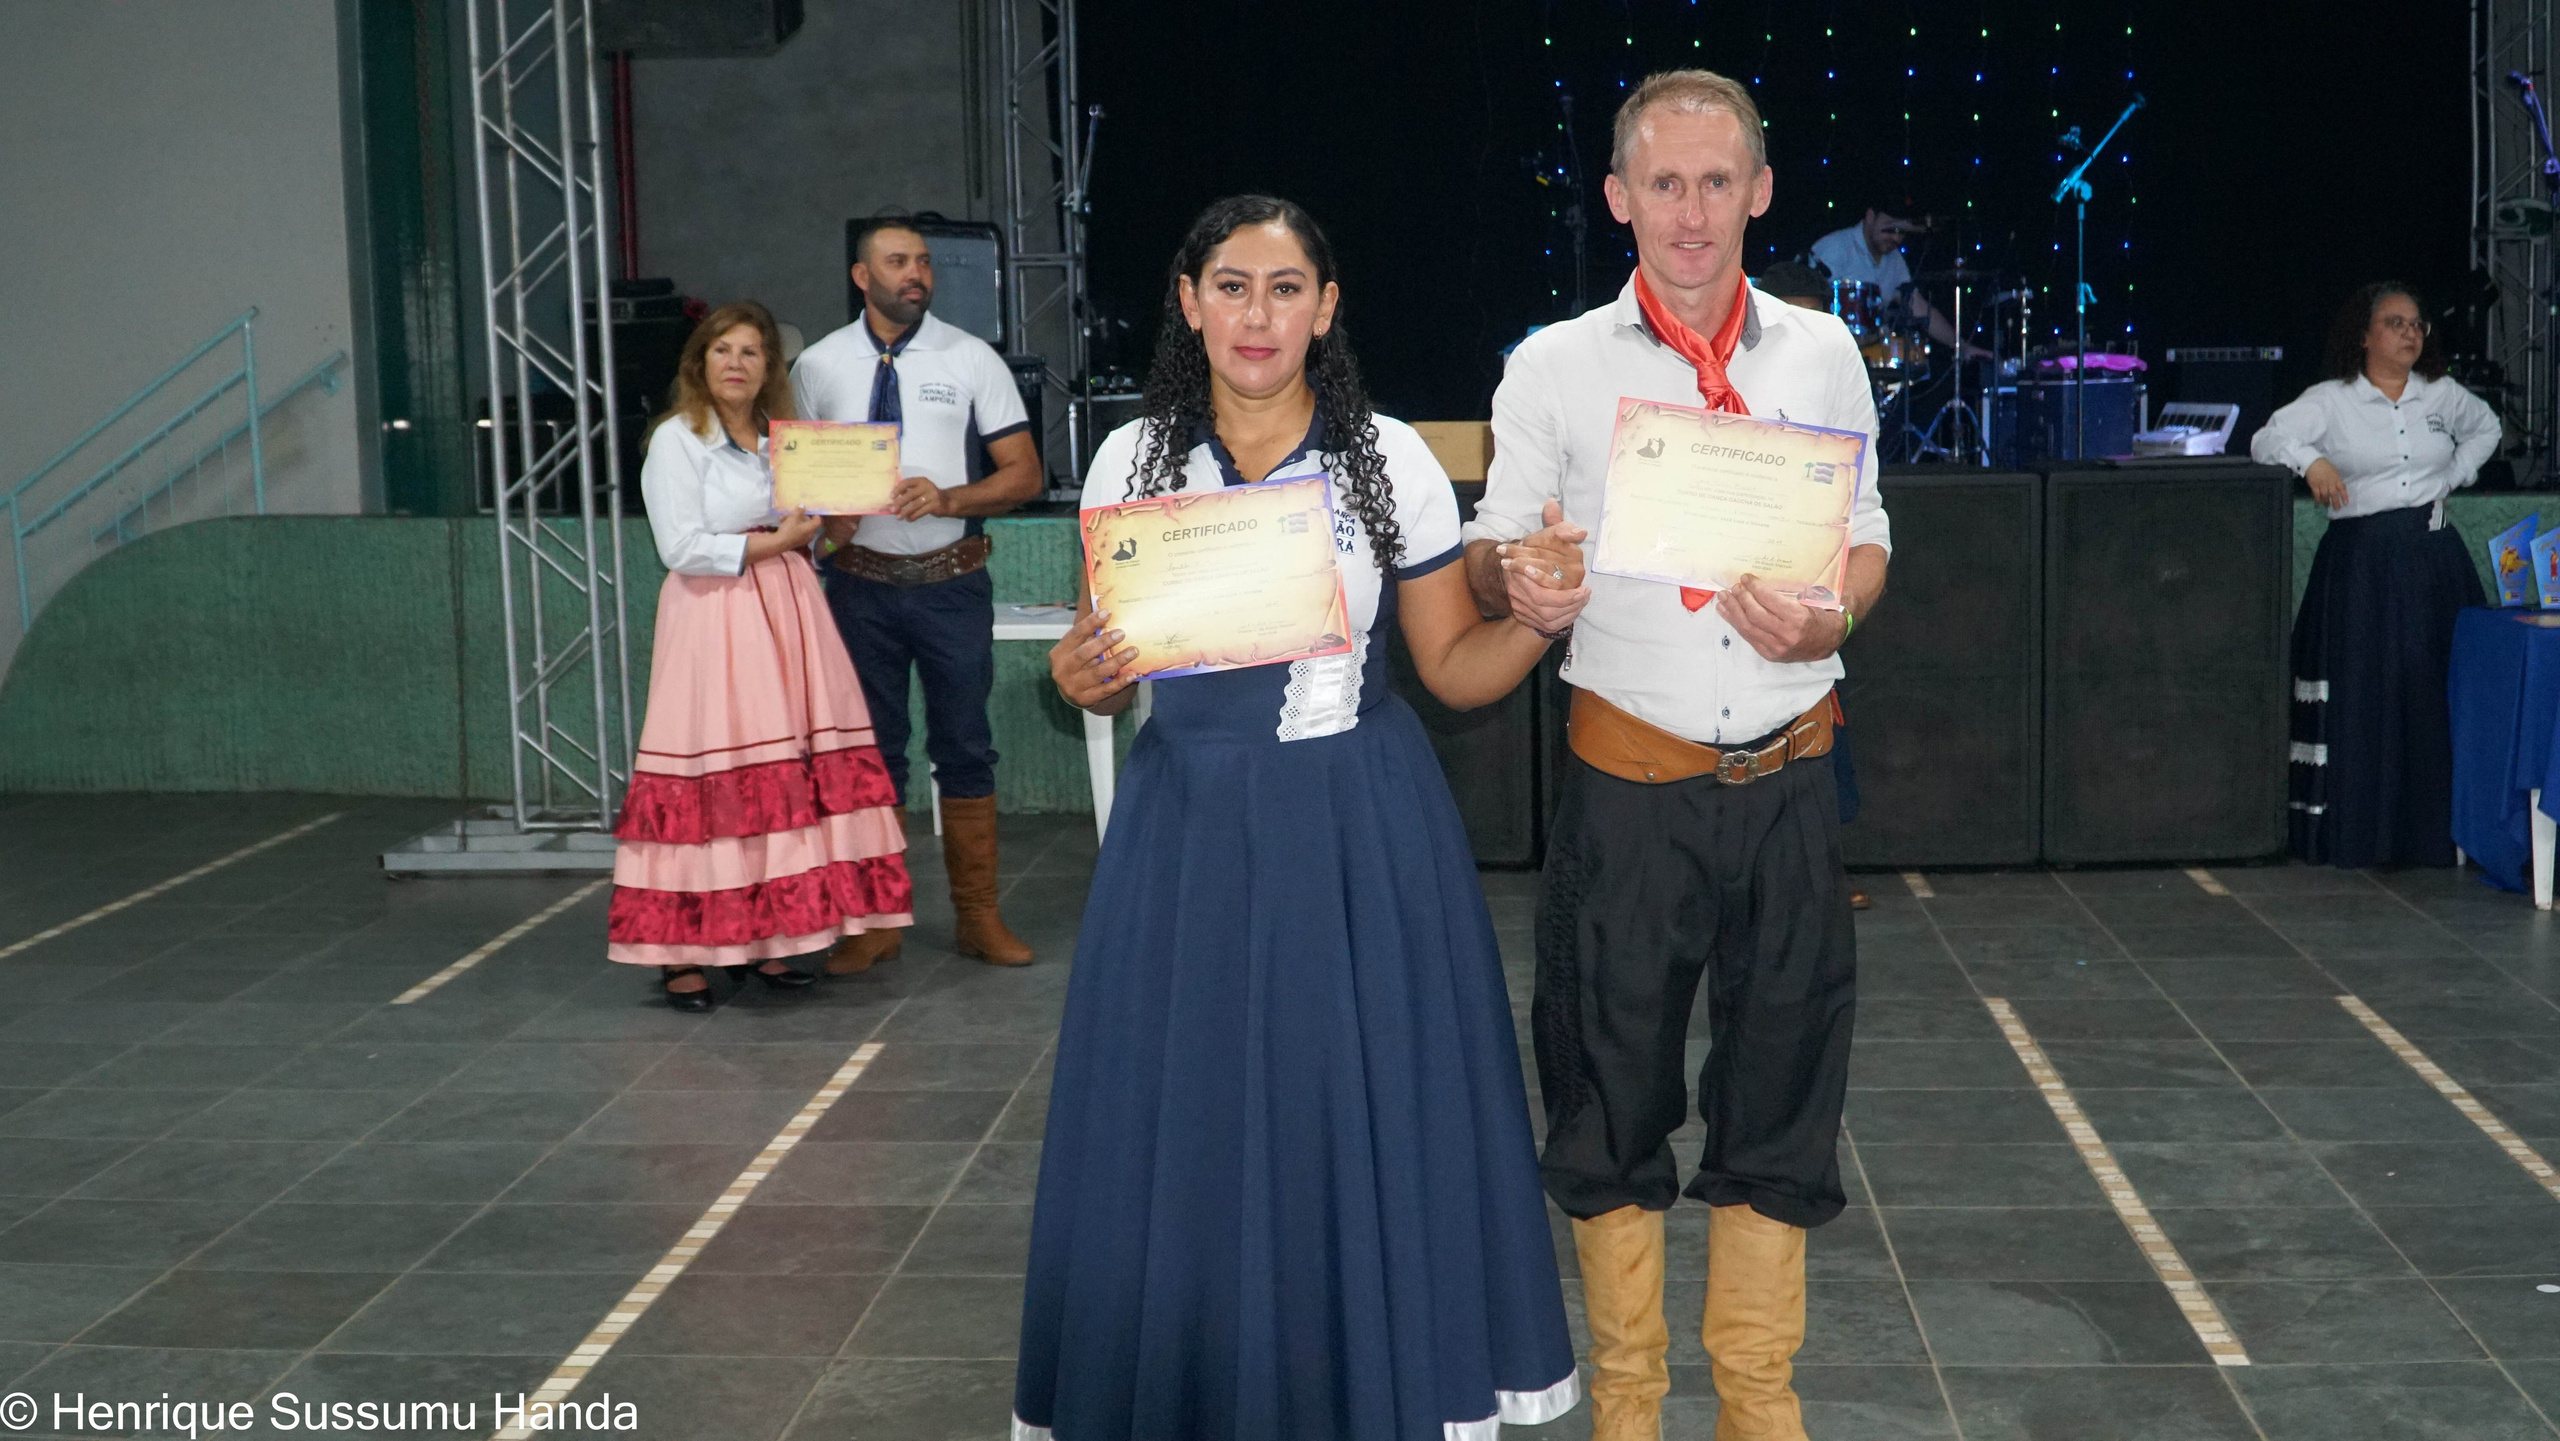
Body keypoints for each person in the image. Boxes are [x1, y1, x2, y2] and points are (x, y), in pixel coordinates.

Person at [1015, 195, 1583, 1441]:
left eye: (1284, 289)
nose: (1255, 315)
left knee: (1353, 1116)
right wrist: (1077, 678)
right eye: (1230, 286)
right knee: (1191, 1119)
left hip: (1356, 836)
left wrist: (1537, 627)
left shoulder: (1390, 457)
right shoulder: (1129, 461)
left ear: (1325, 309)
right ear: (1189, 303)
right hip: (1186, 836)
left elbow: (1452, 670)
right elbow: (1097, 661)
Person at [1464, 71, 1890, 1441]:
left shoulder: (1822, 352)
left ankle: (1760, 1404)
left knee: (1786, 1095)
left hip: (1790, 784)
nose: (1691, 213)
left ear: (1760, 191)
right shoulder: (1554, 364)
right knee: (1606, 1100)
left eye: (1717, 182)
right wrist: (1520, 578)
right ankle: (1630, 1409)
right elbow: (1489, 548)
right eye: (1664, 183)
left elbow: (1865, 535)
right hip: (1628, 794)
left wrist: (1835, 615)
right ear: (1618, 198)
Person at [606, 302, 915, 1010]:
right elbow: (680, 546)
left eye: (751, 352)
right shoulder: (677, 440)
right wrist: (778, 542)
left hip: (789, 608)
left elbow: (811, 535)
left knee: (785, 775)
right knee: (714, 768)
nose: (737, 364)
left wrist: (839, 523)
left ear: (769, 366)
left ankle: (768, 936)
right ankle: (683, 952)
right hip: (715, 611)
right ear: (700, 362)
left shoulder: (786, 442)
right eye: (723, 350)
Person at [791, 217, 1043, 974]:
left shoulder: (971, 357)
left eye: (924, 262)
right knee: (871, 754)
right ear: (861, 276)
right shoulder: (817, 365)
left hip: (951, 584)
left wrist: (949, 496)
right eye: (898, 261)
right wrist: (824, 522)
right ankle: (875, 922)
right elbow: (795, 482)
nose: (917, 274)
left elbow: (1024, 475)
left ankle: (979, 917)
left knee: (965, 746)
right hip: (857, 588)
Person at [2252, 282, 2500, 867]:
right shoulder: (2332, 400)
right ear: (2364, 335)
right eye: (2395, 323)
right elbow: (2266, 438)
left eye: (2417, 325)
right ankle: (2364, 833)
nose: (2410, 333)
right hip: (2362, 566)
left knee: (2432, 691)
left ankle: (2436, 835)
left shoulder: (2440, 393)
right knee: (2369, 695)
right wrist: (2311, 461)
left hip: (2435, 562)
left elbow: (2487, 427)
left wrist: (2453, 475)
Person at [1759, 261, 1872, 912]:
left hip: (1813, 586)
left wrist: (1839, 611)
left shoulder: (1833, 369)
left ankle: (1825, 864)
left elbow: (1864, 513)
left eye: (1814, 316)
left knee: (1822, 731)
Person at [1808, 200, 1978, 357]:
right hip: (1829, 353)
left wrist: (1961, 345)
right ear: (1870, 217)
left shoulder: (1894, 259)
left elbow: (1916, 305)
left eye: (1901, 232)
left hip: (1872, 355)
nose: (1896, 238)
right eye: (1890, 229)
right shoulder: (1834, 248)